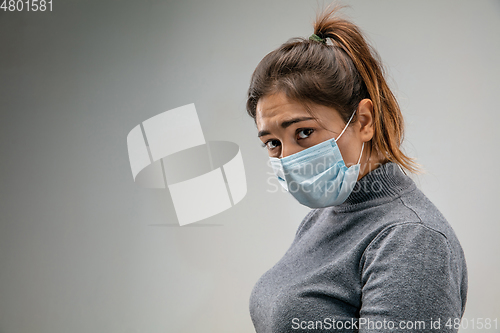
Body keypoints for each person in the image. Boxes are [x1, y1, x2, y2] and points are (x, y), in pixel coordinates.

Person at [246, 6, 467, 333]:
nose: (287, 158)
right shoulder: (322, 219)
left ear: (363, 121)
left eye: (304, 133)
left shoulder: (411, 238)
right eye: (273, 143)